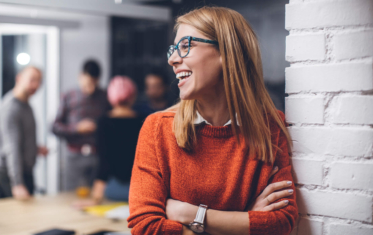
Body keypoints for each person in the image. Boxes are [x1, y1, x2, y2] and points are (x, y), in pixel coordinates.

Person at [127, 6, 298, 235]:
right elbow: (145, 227)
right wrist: (244, 218)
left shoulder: (271, 127)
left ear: (226, 52)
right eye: (174, 49)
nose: (173, 60)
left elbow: (281, 223)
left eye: (186, 46)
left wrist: (191, 215)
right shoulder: (158, 128)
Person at [73, 76, 144, 208]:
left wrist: (95, 198)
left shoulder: (103, 122)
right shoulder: (144, 120)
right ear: (133, 96)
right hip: (141, 190)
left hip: (114, 189)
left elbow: (104, 162)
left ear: (110, 96)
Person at [52, 60, 110, 191]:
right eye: (88, 83)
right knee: (70, 196)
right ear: (80, 76)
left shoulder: (104, 96)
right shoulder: (68, 96)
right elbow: (55, 127)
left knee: (97, 197)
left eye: (95, 83)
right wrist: (77, 128)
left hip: (98, 155)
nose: (91, 88)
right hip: (74, 156)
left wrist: (99, 127)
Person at [0, 66, 49, 200]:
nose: (36, 85)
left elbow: (20, 139)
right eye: (32, 80)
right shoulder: (11, 108)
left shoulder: (27, 106)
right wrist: (17, 183)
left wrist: (34, 149)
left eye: (39, 81)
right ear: (19, 78)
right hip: (11, 174)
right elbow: (11, 148)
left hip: (25, 170)